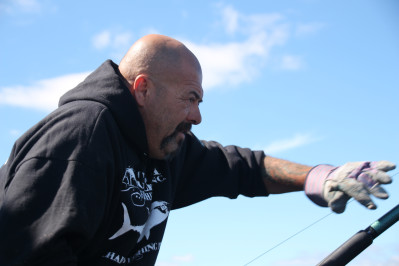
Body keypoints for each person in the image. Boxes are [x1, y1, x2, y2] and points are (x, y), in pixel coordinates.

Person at [0, 34, 395, 265]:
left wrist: (319, 177)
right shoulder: (79, 140)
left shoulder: (164, 149)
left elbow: (240, 168)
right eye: (190, 99)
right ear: (143, 89)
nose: (197, 116)